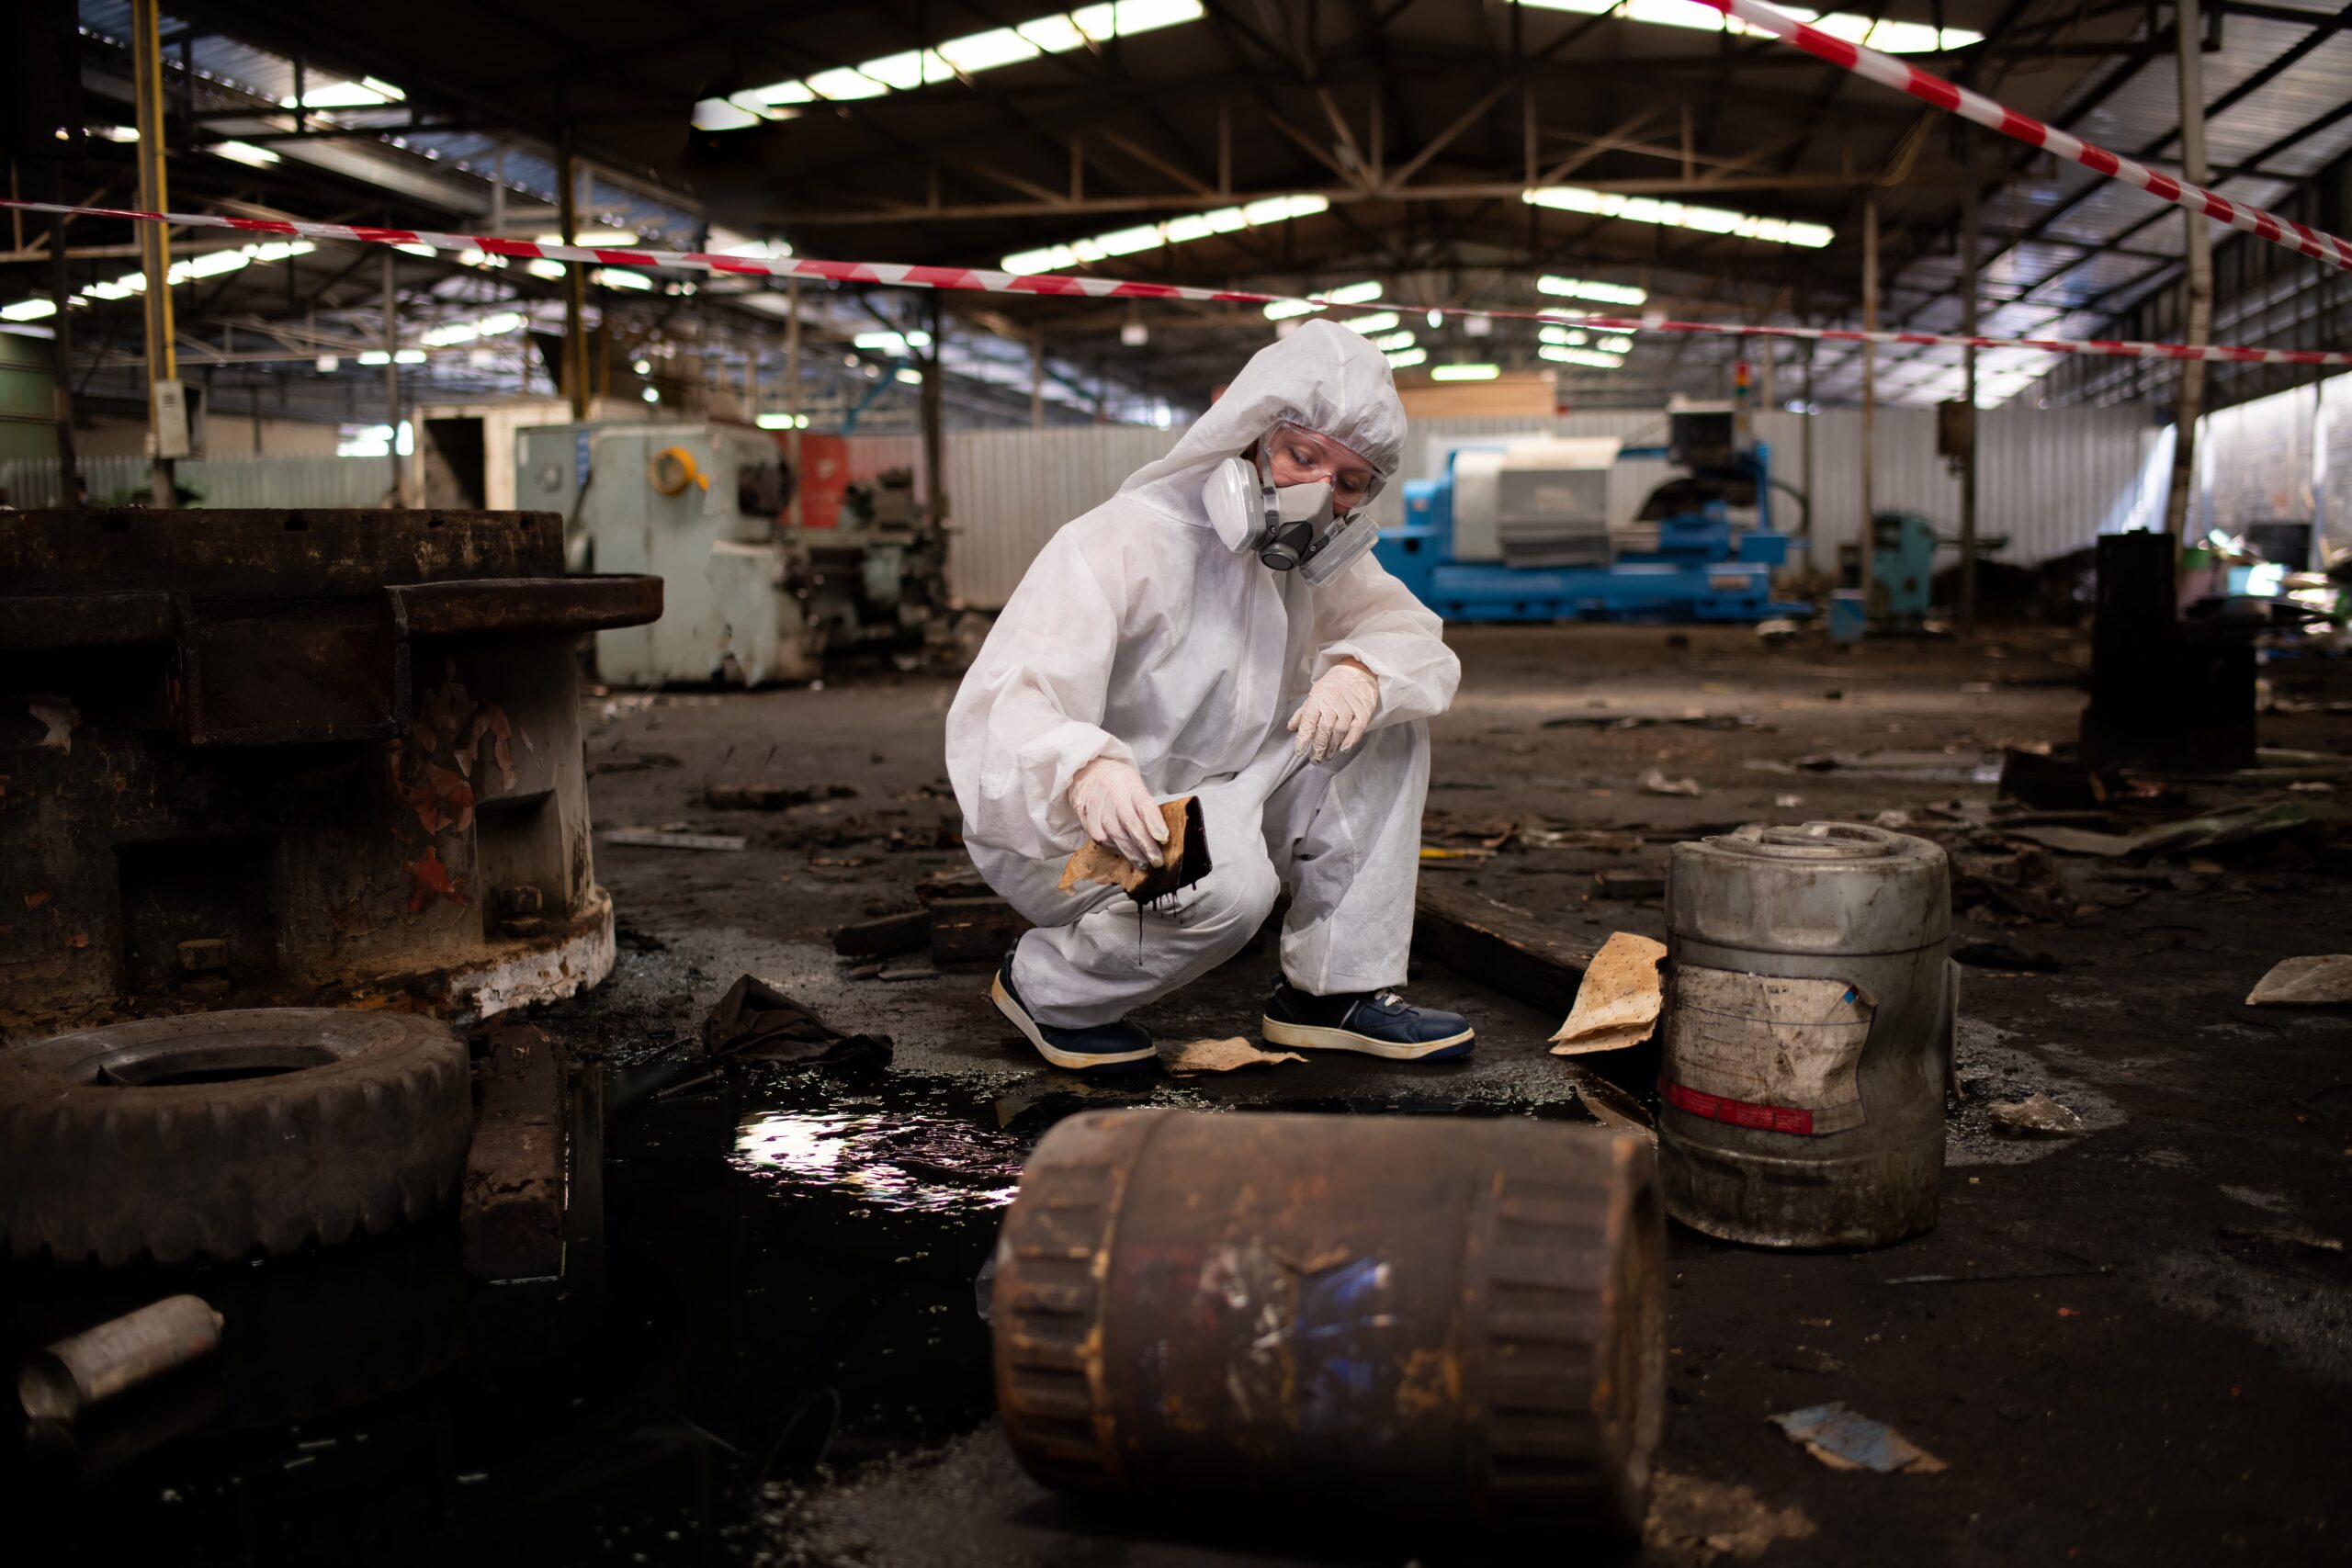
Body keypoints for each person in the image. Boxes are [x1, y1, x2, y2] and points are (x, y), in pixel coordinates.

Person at [946, 319, 1469, 1073]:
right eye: (1300, 456)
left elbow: (1409, 636)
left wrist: (1359, 672)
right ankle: (1049, 988)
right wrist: (1085, 768)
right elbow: (1008, 707)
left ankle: (1331, 992)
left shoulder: (1313, 561)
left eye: (1348, 481)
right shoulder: (1119, 542)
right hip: (1077, 829)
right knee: (1232, 885)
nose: (1316, 494)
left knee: (1385, 714)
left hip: (1222, 798)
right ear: (1254, 437)